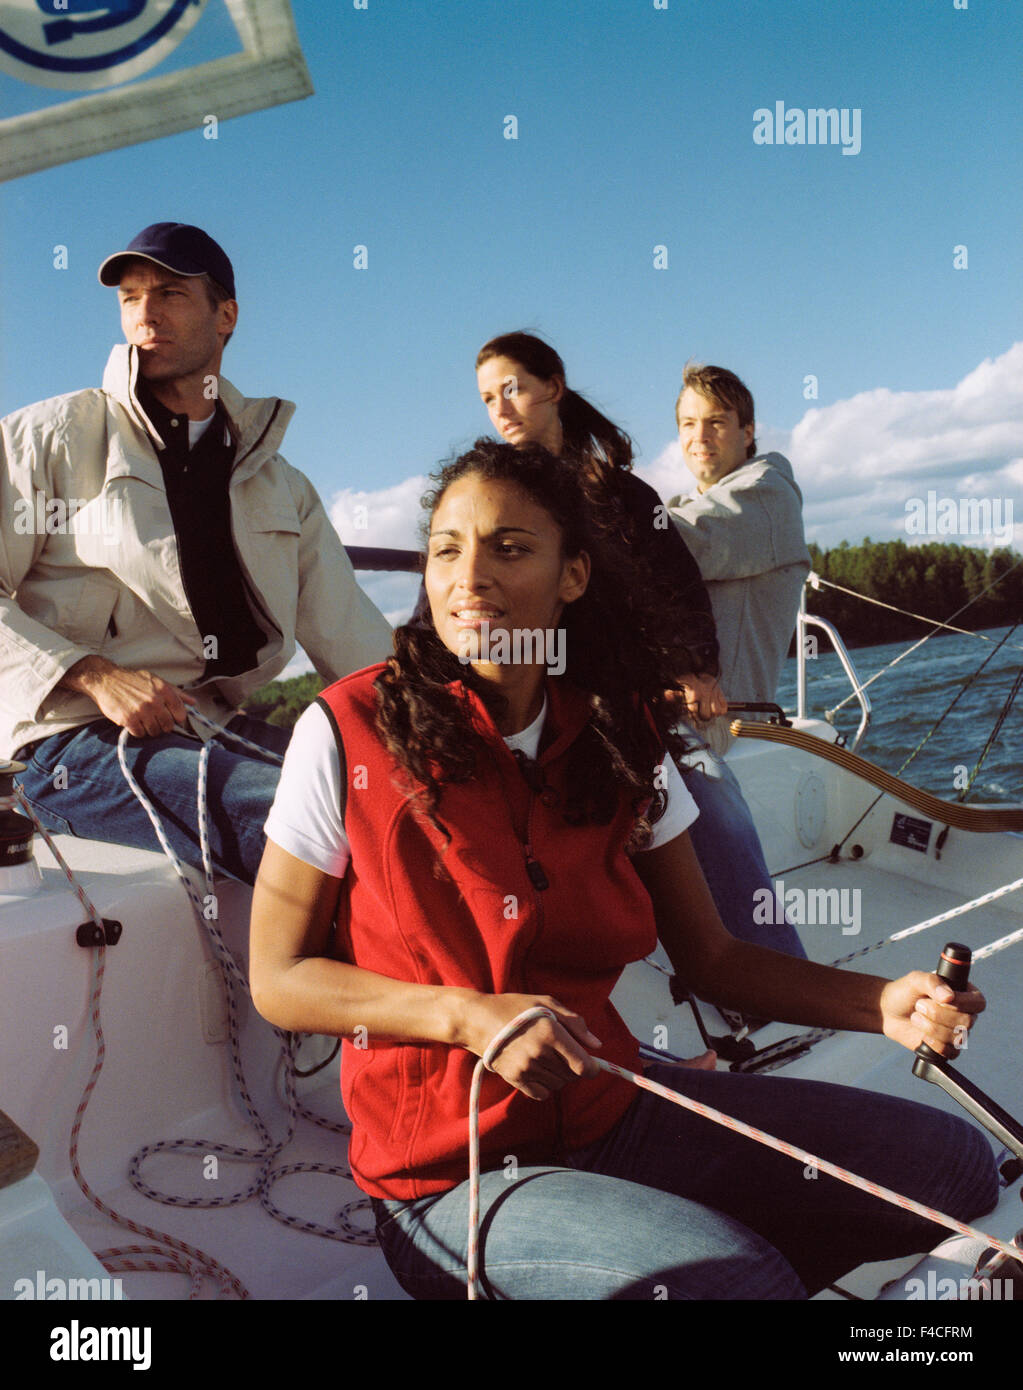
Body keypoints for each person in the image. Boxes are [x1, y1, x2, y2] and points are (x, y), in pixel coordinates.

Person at [249, 440, 996, 1300]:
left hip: (617, 1114)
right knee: (737, 1284)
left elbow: (712, 960)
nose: (469, 576)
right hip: (451, 1180)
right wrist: (465, 1017)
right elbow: (279, 976)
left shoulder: (617, 736)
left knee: (950, 1165)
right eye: (447, 548)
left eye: (510, 547)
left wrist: (882, 1007)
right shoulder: (347, 729)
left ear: (572, 576)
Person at [1, 222, 390, 884]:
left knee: (400, 805)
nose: (145, 315)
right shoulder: (53, 437)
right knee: (321, 831)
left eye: (170, 294)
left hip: (211, 732)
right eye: (129, 298)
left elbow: (355, 642)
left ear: (226, 315)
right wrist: (92, 673)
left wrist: (457, 739)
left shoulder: (278, 480)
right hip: (74, 744)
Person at [472, 331, 804, 959]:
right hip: (576, 704)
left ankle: (775, 972)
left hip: (666, 706)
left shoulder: (750, 492)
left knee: (707, 796)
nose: (502, 408)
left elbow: (675, 565)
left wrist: (697, 666)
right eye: (489, 398)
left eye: (512, 388)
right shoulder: (516, 494)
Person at [669, 363, 812, 747]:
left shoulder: (766, 494)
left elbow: (672, 546)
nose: (699, 436)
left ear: (747, 432)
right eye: (688, 423)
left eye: (715, 422)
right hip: (668, 720)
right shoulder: (683, 506)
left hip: (723, 733)